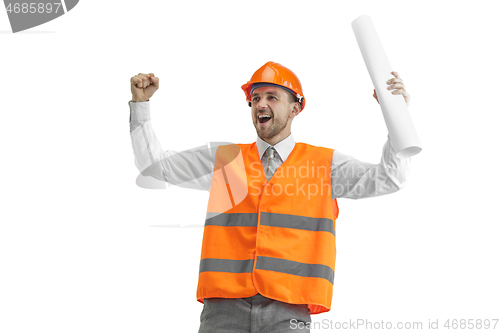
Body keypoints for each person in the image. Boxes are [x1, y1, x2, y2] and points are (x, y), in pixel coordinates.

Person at [128, 61, 411, 333]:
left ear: (296, 108)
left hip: (289, 310)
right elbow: (154, 167)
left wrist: (396, 114)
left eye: (272, 97)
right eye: (256, 98)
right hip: (223, 310)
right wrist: (141, 105)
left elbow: (389, 178)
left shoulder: (325, 165)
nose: (261, 104)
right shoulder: (226, 160)